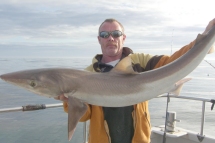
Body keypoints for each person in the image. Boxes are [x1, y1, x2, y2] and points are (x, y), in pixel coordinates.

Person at [55, 18, 215, 143]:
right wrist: (69, 101)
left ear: (123, 38)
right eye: (105, 35)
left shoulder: (140, 62)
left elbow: (173, 62)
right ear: (99, 40)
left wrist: (202, 41)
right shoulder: (89, 75)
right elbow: (84, 116)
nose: (110, 38)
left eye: (116, 34)